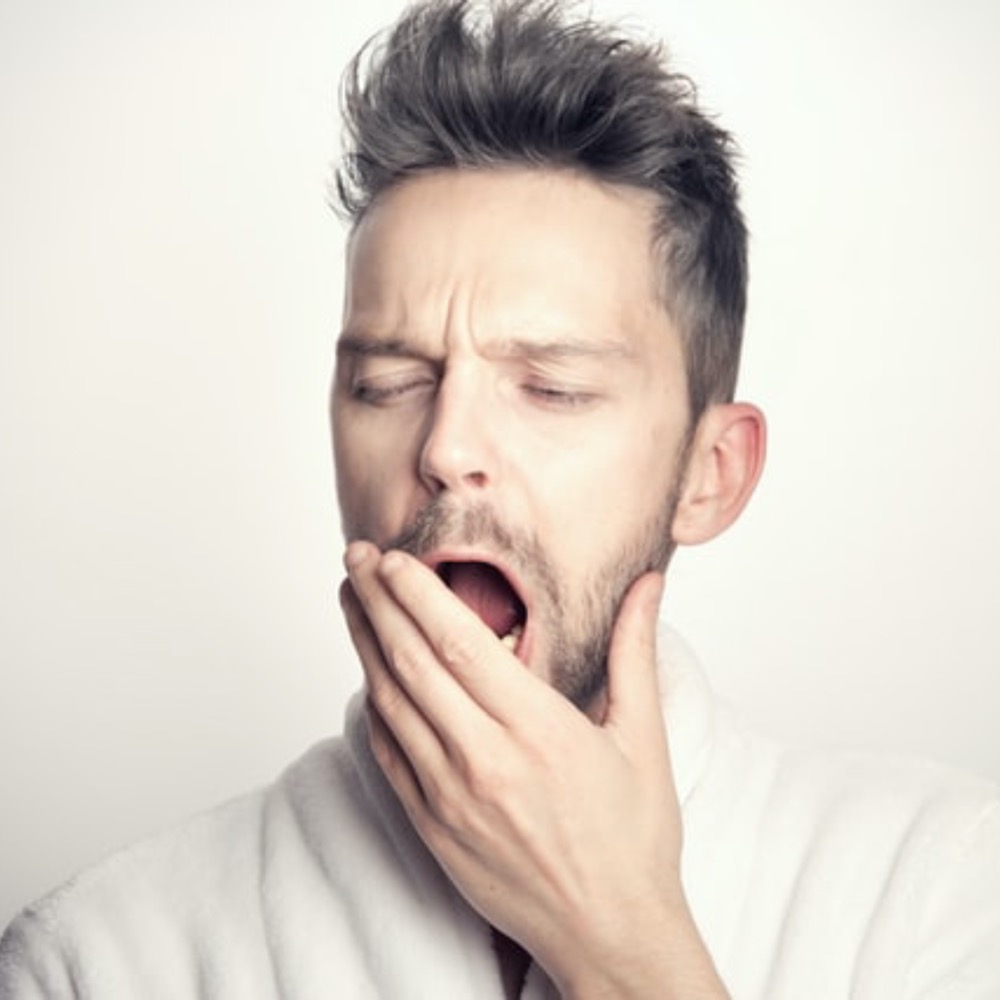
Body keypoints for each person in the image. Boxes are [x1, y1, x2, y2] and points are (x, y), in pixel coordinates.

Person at [1, 1, 998, 997]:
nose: (445, 448)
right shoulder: (100, 957)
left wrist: (617, 938)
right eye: (387, 385)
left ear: (711, 472)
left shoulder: (944, 888)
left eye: (552, 387)